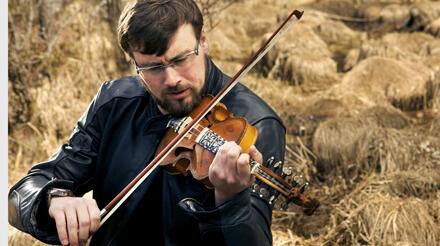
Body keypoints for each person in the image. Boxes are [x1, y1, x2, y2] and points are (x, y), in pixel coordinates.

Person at [8, 0, 286, 245]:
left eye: (181, 59)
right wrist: (52, 199)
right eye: (153, 68)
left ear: (203, 41)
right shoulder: (114, 101)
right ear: (134, 63)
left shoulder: (254, 123)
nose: (171, 79)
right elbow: (21, 194)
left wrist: (230, 200)